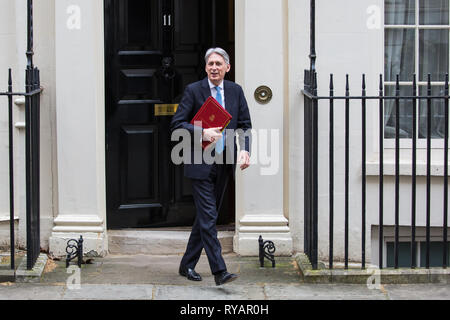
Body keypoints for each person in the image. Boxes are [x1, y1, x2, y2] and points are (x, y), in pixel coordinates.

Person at [170, 48, 252, 286]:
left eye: (218, 63)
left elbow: (245, 125)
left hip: (224, 163)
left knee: (207, 216)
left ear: (227, 67)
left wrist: (245, 150)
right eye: (210, 64)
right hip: (200, 163)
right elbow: (176, 126)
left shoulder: (236, 91)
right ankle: (219, 271)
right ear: (205, 68)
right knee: (208, 218)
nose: (214, 67)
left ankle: (187, 264)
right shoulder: (194, 91)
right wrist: (202, 131)